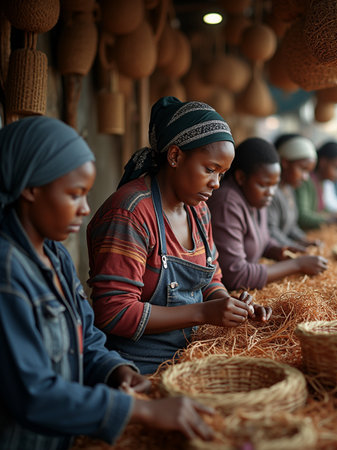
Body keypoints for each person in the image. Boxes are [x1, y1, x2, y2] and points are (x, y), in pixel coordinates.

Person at [0, 116, 216, 450]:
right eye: (74, 195)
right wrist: (137, 410)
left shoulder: (53, 254)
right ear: (30, 188)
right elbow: (34, 396)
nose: (85, 209)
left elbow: (85, 338)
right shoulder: (8, 274)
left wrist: (117, 371)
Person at [87, 97, 271, 375]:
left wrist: (228, 304)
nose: (216, 184)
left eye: (222, 174)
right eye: (209, 169)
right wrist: (203, 313)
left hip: (190, 355)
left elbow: (212, 279)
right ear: (174, 156)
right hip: (138, 368)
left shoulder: (199, 211)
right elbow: (114, 313)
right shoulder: (130, 214)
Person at [208, 137, 328, 292]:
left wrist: (279, 250)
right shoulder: (227, 203)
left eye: (274, 185)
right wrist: (297, 264)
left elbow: (263, 240)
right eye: (264, 185)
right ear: (241, 178)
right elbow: (235, 275)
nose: (270, 193)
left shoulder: (255, 199)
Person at [267, 133, 321, 251]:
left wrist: (305, 241)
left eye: (308, 172)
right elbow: (271, 231)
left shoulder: (289, 188)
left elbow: (291, 226)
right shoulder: (270, 192)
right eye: (302, 169)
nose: (305, 177)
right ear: (285, 163)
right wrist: (296, 247)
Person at [296, 140, 337, 230]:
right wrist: (333, 220)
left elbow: (322, 209)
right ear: (323, 163)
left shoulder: (321, 182)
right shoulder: (305, 181)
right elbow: (303, 217)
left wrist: (336, 217)